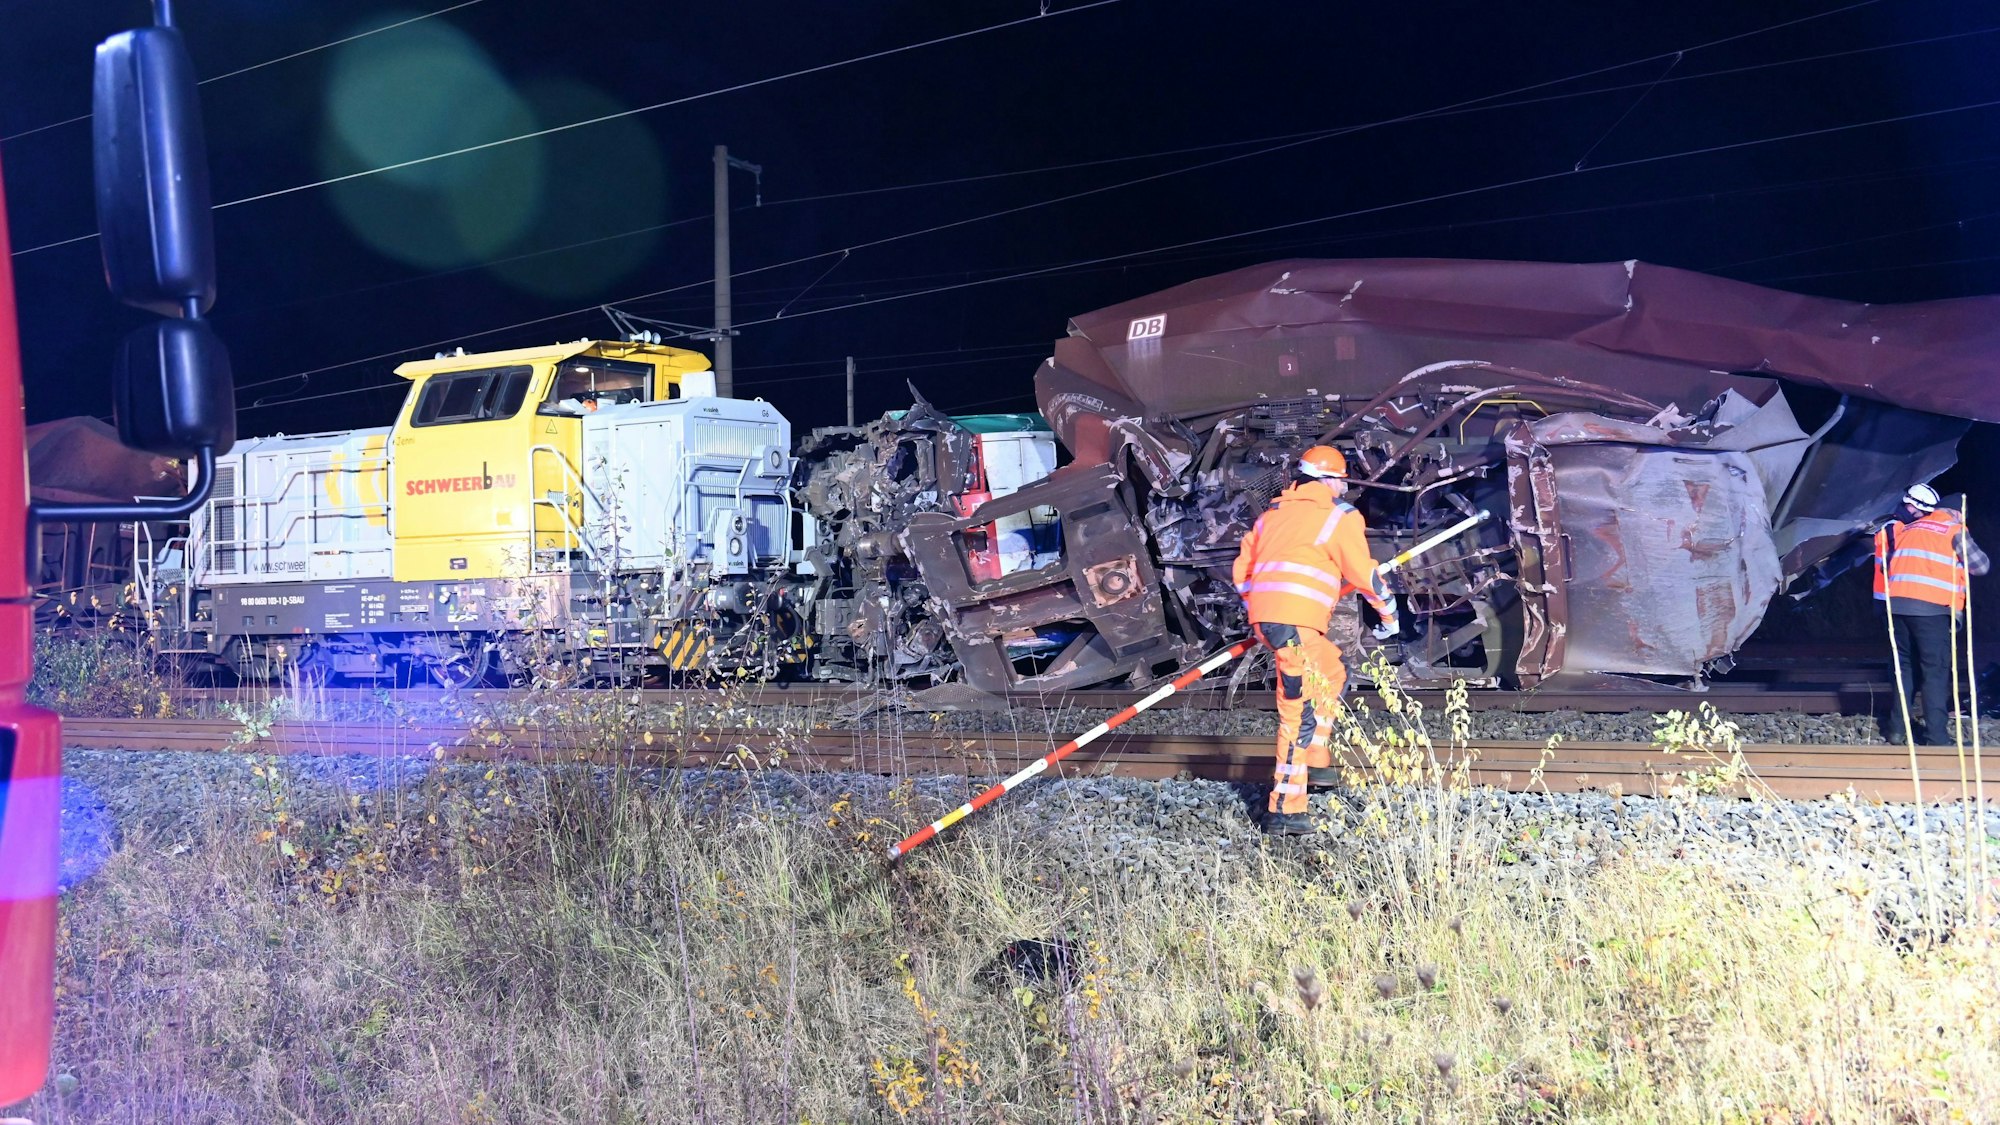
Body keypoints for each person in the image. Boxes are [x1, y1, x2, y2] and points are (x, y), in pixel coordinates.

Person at [1232, 445, 1398, 834]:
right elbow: (1364, 574)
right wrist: (1388, 614)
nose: (1344, 486)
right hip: (1296, 625)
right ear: (1327, 479)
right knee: (1298, 712)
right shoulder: (1338, 515)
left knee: (1332, 670)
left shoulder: (1273, 514)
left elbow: (1243, 571)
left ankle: (1316, 760)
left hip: (1275, 621)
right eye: (1342, 479)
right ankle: (1285, 811)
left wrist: (1265, 611)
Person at [1874, 483, 1989, 745]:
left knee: (1904, 670)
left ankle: (1896, 730)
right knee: (1934, 672)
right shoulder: (1953, 529)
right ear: (1957, 513)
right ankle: (1937, 737)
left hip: (1897, 608)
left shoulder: (1909, 528)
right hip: (1931, 611)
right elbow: (1981, 566)